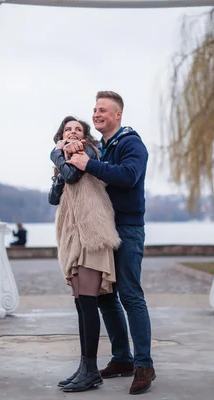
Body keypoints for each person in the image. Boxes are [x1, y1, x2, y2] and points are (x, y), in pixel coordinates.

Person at [66, 91, 155, 395]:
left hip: (128, 228)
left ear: (118, 115)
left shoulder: (131, 142)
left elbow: (129, 176)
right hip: (103, 230)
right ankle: (122, 358)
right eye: (94, 109)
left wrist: (87, 164)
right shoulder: (101, 146)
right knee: (105, 296)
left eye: (102, 109)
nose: (96, 114)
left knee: (130, 295)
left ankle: (144, 365)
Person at [48, 116, 121, 393]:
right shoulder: (64, 161)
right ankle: (85, 367)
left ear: (84, 135)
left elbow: (73, 176)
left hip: (92, 234)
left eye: (78, 129)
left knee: (89, 304)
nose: (73, 132)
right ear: (61, 133)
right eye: (68, 129)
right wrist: (59, 160)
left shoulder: (87, 151)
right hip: (74, 237)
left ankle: (91, 370)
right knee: (81, 305)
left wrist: (56, 153)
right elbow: (54, 197)